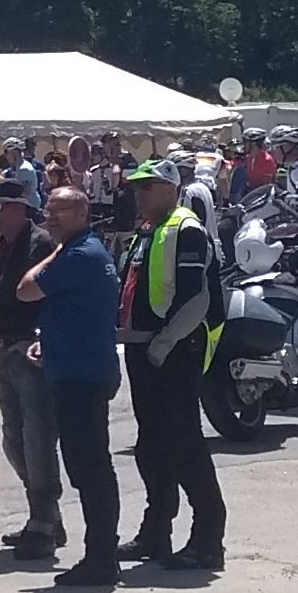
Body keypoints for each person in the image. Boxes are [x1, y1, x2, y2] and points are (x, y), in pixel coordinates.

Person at [115, 162, 228, 572]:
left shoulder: (186, 229)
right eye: (137, 188)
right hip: (144, 351)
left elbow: (196, 298)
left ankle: (207, 539)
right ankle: (156, 532)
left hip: (175, 351)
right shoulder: (147, 231)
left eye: (148, 187)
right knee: (151, 446)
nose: (139, 194)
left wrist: (163, 344)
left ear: (170, 189)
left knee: (185, 445)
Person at [22, 182, 128, 589]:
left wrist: (54, 254)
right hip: (78, 368)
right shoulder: (81, 251)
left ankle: (101, 558)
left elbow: (26, 289)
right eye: (48, 209)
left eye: (60, 211)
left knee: (90, 469)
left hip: (82, 376)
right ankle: (101, 553)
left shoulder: (78, 254)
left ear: (83, 214)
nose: (50, 217)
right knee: (90, 467)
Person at [0, 170, 69, 558]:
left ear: (21, 208)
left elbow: (58, 297)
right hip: (5, 349)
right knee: (13, 439)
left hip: (32, 352)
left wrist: (40, 339)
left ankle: (43, 525)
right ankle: (46, 516)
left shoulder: (41, 243)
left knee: (37, 439)